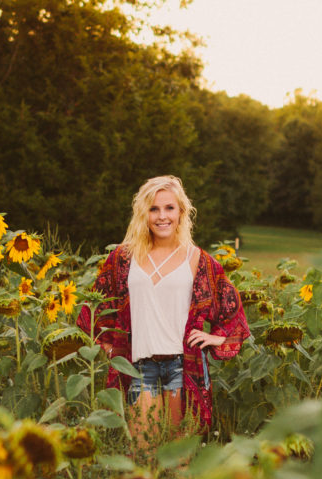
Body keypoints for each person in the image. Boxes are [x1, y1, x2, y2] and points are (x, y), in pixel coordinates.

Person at [76, 176, 249, 438]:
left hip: (183, 365)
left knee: (179, 460)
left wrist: (216, 337)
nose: (162, 216)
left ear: (181, 212)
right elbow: (95, 304)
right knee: (143, 456)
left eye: (169, 208)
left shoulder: (197, 260)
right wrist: (108, 343)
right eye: (153, 209)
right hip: (139, 366)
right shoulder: (123, 258)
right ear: (143, 214)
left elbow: (231, 306)